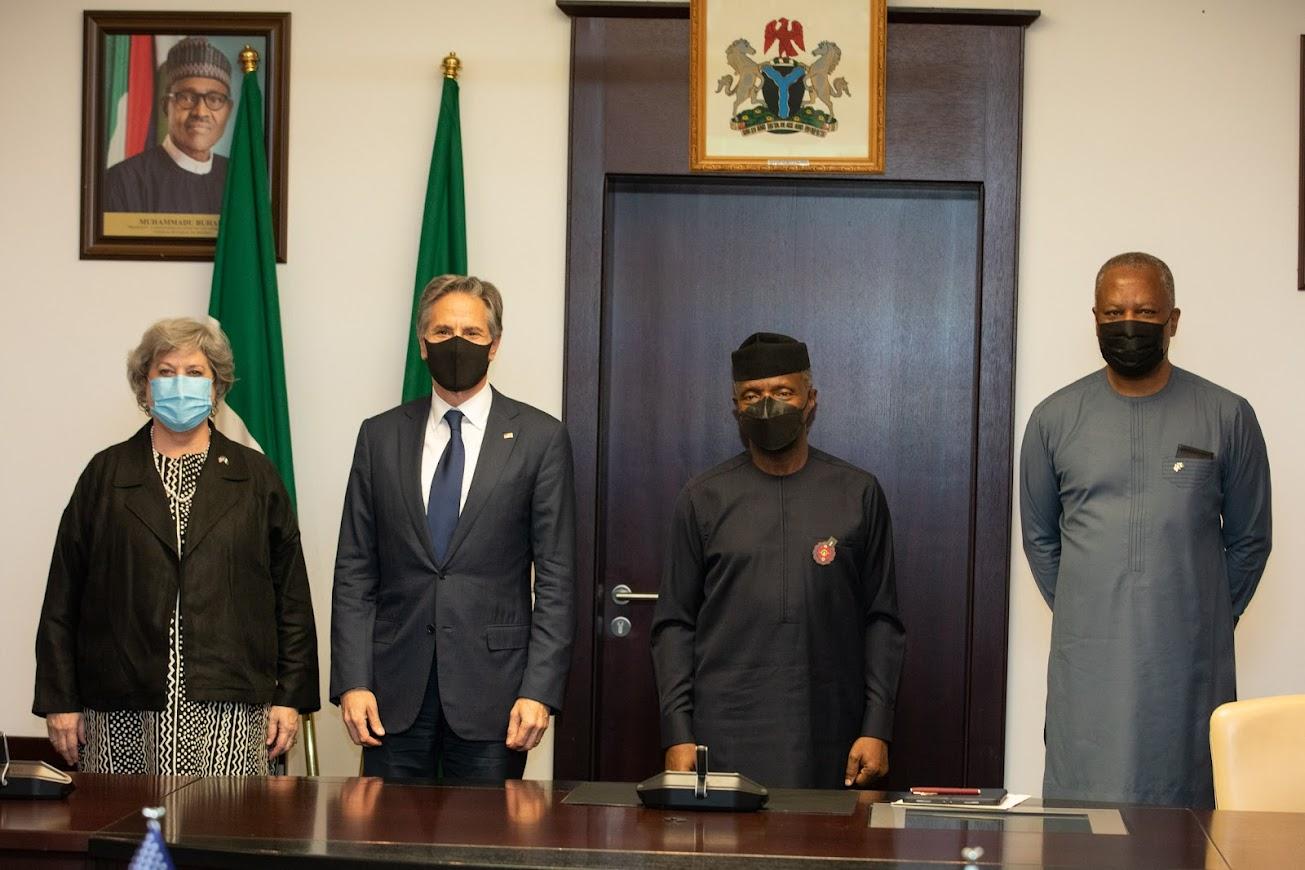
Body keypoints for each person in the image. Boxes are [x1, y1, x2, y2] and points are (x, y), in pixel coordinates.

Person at [1020, 251, 1272, 808]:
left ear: (1173, 321)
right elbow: (1040, 537)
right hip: (1088, 661)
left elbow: (1251, 538)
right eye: (1113, 313)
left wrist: (1201, 612)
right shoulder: (1053, 419)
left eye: (1144, 311)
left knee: (1184, 822)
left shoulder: (1227, 415)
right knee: (1083, 828)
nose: (1127, 324)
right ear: (1094, 319)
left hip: (1188, 664)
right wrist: (1086, 607)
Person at [33, 317, 319, 774]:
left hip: (231, 706)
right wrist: (58, 698)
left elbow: (291, 599)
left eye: (194, 372)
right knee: (129, 838)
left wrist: (291, 696)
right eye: (165, 372)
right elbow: (63, 597)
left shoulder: (255, 476)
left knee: (221, 836)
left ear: (216, 386)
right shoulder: (104, 475)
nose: (179, 384)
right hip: (119, 706)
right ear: (144, 388)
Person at [331, 274, 576, 781]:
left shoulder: (540, 438)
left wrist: (539, 691)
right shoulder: (379, 437)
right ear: (422, 345)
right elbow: (355, 569)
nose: (457, 343)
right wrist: (353, 681)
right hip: (392, 693)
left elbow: (556, 578)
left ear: (495, 344)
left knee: (484, 849)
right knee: (387, 842)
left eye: (472, 332)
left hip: (497, 695)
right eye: (442, 333)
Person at [650, 332, 906, 789]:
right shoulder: (702, 498)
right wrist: (678, 732)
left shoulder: (858, 493)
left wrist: (876, 725)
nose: (768, 406)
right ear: (736, 409)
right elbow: (674, 624)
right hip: (722, 733)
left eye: (783, 392)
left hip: (833, 732)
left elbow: (882, 620)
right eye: (753, 395)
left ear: (811, 401)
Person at [103, 37, 233, 215]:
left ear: (228, 110)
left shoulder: (238, 178)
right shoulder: (122, 181)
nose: (201, 112)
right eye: (187, 97)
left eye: (215, 99)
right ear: (166, 106)